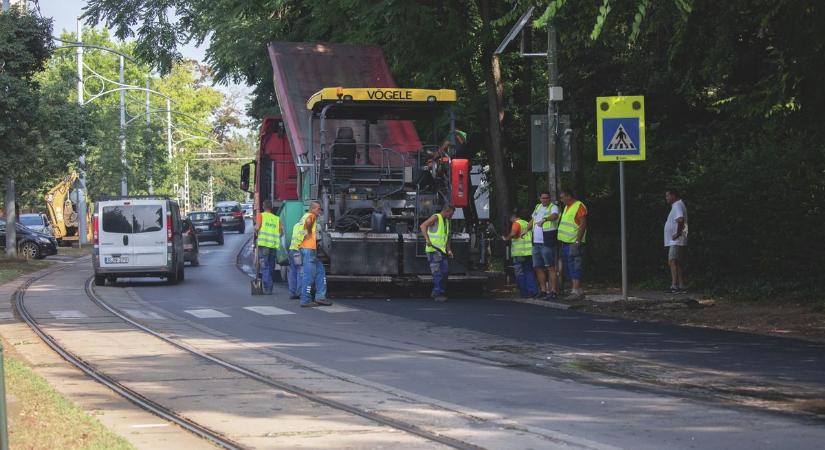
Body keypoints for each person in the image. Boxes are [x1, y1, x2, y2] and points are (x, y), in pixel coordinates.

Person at [297, 201, 332, 307]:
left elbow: (301, 232)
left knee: (320, 270)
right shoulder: (311, 216)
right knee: (309, 275)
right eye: (318, 209)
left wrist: (306, 235)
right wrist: (308, 234)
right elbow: (307, 226)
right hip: (308, 249)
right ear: (312, 209)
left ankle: (320, 297)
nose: (319, 211)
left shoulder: (305, 216)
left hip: (307, 249)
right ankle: (305, 300)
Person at [528, 191, 560, 300]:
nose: (545, 200)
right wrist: (526, 229)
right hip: (536, 242)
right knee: (537, 267)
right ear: (540, 198)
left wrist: (545, 219)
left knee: (550, 266)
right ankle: (543, 290)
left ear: (549, 198)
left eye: (547, 198)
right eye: (543, 198)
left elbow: (555, 216)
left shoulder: (553, 207)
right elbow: (532, 220)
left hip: (547, 240)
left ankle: (553, 291)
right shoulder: (537, 207)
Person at [420, 204, 455, 302]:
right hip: (433, 251)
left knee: (445, 272)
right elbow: (423, 226)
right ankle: (438, 294)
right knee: (437, 273)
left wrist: (448, 250)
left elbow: (446, 237)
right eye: (451, 214)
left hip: (442, 251)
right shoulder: (436, 217)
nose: (451, 216)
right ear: (446, 211)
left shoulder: (447, 221)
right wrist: (427, 240)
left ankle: (438, 292)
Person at [558, 189, 587, 300]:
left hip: (573, 242)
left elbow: (583, 224)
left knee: (575, 266)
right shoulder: (567, 207)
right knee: (569, 266)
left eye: (562, 197)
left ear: (569, 196)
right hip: (566, 242)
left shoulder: (578, 206)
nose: (561, 200)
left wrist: (577, 241)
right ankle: (577, 290)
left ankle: (576, 291)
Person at [504, 211, 539, 298]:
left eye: (510, 219)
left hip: (519, 253)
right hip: (528, 252)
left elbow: (514, 233)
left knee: (519, 272)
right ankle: (533, 291)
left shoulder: (516, 223)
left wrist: (506, 238)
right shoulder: (526, 223)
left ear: (513, 217)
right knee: (529, 271)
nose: (510, 221)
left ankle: (524, 292)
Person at [254, 200, 284, 295]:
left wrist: (255, 230)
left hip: (263, 246)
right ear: (271, 208)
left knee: (264, 267)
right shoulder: (276, 218)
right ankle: (268, 286)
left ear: (263, 207)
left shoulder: (260, 215)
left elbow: (257, 227)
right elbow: (281, 232)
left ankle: (268, 286)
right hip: (273, 246)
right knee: (270, 267)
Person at [664, 189, 688, 293]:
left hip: (677, 240)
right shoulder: (679, 204)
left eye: (667, 196)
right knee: (677, 262)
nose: (666, 198)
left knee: (672, 261)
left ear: (673, 196)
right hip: (678, 240)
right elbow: (683, 221)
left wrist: (678, 234)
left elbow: (681, 220)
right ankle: (681, 286)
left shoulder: (677, 205)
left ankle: (674, 286)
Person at [287, 218, 305, 300]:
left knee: (292, 272)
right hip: (298, 251)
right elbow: (303, 237)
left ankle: (292, 292)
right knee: (300, 271)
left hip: (292, 250)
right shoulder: (304, 227)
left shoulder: (296, 225)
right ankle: (299, 292)